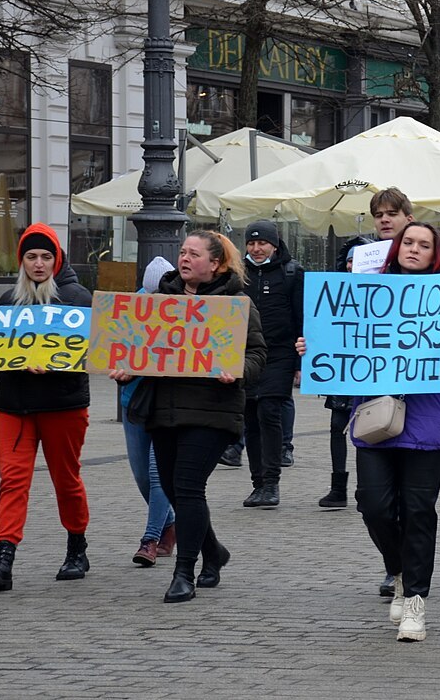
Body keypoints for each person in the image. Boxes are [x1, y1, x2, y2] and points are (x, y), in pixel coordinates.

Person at [299, 222, 440, 642]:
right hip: (377, 422)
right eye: (408, 243)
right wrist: (315, 351)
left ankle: (416, 599)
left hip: (429, 427)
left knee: (418, 510)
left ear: (435, 254)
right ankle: (398, 570)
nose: (413, 250)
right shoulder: (366, 295)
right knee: (374, 505)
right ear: (396, 249)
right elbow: (342, 353)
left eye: (423, 244)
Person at [112, 231, 267, 603]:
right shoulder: (157, 302)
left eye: (193, 254)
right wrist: (128, 367)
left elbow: (259, 354)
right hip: (163, 409)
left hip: (212, 410)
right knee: (170, 487)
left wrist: (239, 370)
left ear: (215, 264)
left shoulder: (236, 304)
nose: (184, 259)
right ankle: (214, 552)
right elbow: (136, 347)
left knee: (187, 485)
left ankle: (185, 573)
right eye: (182, 252)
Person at [0, 224, 93, 591]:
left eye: (45, 256)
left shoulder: (77, 297)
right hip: (13, 406)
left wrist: (55, 364)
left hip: (63, 405)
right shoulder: (9, 300)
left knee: (66, 480)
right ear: (21, 261)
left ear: (56, 259)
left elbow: (89, 351)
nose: (38, 264)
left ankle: (77, 546)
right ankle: (3, 558)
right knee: (12, 481)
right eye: (31, 257)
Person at [237, 220, 304, 508]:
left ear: (274, 245)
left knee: (269, 412)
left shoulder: (292, 273)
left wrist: (302, 361)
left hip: (280, 354)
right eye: (251, 243)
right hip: (247, 355)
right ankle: (258, 483)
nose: (256, 248)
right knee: (250, 418)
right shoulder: (237, 274)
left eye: (261, 243)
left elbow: (302, 316)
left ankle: (272, 481)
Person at [120, 257, 177, 567]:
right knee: (143, 476)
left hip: (168, 405)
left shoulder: (183, 310)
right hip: (135, 402)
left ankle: (150, 539)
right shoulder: (131, 311)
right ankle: (170, 522)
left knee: (158, 475)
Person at [319, 245, 359, 509]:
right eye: (348, 261)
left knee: (371, 429)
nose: (350, 266)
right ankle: (338, 488)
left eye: (357, 261)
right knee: (337, 426)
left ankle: (366, 487)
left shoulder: (385, 292)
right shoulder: (334, 291)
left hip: (370, 370)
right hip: (343, 370)